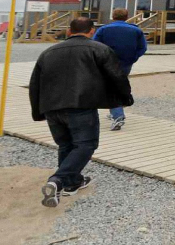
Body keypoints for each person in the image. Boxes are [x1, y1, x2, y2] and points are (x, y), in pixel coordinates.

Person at [29, 17, 132, 208]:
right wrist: (125, 98)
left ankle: (72, 183)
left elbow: (35, 83)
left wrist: (38, 111)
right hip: (80, 106)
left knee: (66, 145)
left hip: (51, 107)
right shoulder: (99, 49)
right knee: (86, 144)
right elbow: (117, 76)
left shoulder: (47, 53)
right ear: (92, 31)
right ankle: (58, 180)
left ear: (69, 31)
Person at [93, 8, 147, 131]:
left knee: (111, 88)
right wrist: (133, 58)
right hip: (126, 63)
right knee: (119, 85)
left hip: (107, 62)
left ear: (113, 16)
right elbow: (142, 48)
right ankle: (115, 110)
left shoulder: (103, 29)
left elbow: (94, 45)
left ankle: (118, 116)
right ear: (127, 16)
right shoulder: (136, 30)